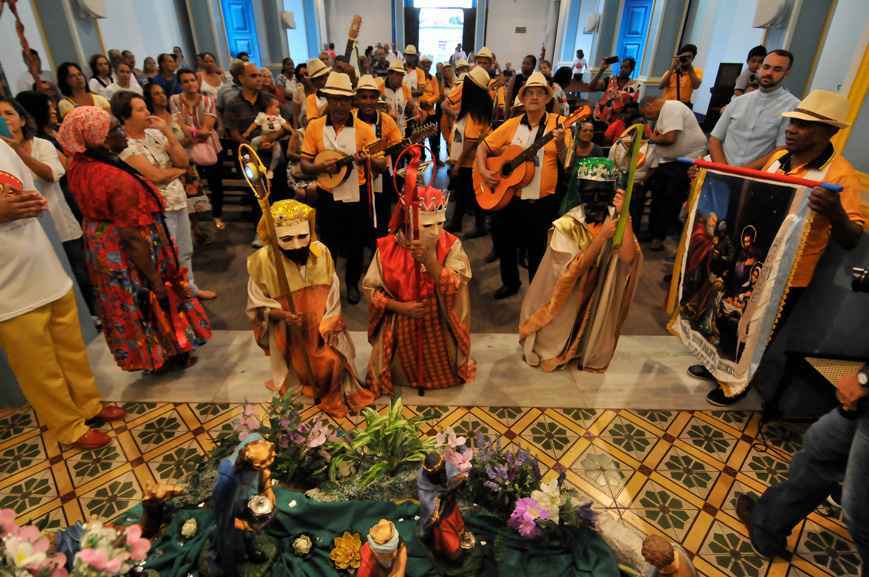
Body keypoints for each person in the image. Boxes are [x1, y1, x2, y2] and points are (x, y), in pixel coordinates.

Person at [692, 90, 865, 406]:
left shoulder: (841, 175)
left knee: (757, 334)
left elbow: (852, 237)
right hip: (749, 258)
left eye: (803, 125)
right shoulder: (776, 158)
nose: (792, 129)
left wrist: (834, 210)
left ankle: (737, 384)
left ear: (829, 132)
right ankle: (718, 365)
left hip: (789, 273)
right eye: (793, 122)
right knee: (730, 316)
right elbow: (744, 183)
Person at [58, 106, 211, 372]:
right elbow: (132, 238)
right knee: (149, 298)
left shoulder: (80, 165)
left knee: (127, 302)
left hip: (103, 245)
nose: (122, 134)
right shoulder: (114, 178)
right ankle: (167, 355)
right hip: (129, 250)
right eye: (115, 129)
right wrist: (154, 278)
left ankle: (151, 357)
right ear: (98, 138)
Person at [0, 137, 125, 450]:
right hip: (8, 288)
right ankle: (68, 427)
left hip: (42, 265)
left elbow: (28, 189)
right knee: (39, 369)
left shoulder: (3, 146)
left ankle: (89, 406)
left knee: (71, 351)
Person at [247, 199, 374, 417]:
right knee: (302, 364)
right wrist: (280, 314)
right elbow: (255, 303)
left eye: (302, 236)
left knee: (333, 360)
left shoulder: (321, 252)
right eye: (287, 238)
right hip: (289, 331)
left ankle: (332, 389)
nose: (297, 245)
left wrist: (330, 320)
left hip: (322, 324)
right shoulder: (262, 261)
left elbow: (333, 290)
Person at [735, 363, 868, 568]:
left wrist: (863, 379)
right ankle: (766, 530)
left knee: (859, 516)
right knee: (818, 449)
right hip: (863, 402)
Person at [520, 157, 641, 371]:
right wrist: (601, 238)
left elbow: (628, 258)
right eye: (589, 193)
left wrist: (625, 214)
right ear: (580, 192)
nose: (596, 199)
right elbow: (568, 274)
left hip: (599, 289)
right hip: (568, 297)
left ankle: (582, 348)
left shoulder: (616, 218)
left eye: (603, 194)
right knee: (553, 340)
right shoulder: (568, 224)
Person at [364, 183, 474, 394]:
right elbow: (370, 290)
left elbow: (455, 284)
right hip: (401, 322)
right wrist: (399, 307)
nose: (435, 233)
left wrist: (431, 261)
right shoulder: (388, 248)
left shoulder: (451, 244)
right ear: (409, 221)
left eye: (440, 223)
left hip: (440, 319)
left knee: (440, 361)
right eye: (426, 226)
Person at [475, 72, 571, 299]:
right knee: (506, 244)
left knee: (537, 251)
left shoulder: (559, 124)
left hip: (542, 202)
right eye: (530, 93)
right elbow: (483, 147)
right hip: (511, 197)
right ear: (524, 98)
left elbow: (566, 163)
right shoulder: (511, 124)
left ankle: (536, 294)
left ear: (547, 98)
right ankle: (510, 283)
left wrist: (560, 144)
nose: (535, 97)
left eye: (540, 93)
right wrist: (484, 170)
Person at [113, 91, 216, 301]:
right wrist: (175, 172)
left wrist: (168, 132)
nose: (148, 112)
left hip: (178, 200)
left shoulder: (155, 134)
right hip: (156, 208)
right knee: (167, 255)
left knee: (186, 250)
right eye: (140, 109)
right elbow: (154, 175)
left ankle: (191, 289)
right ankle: (174, 295)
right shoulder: (124, 144)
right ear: (126, 115)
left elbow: (183, 161)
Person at [0, 97, 93, 314]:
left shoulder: (42, 145)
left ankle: (91, 315)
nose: (4, 119)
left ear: (22, 120)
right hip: (29, 234)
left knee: (79, 274)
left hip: (60, 223)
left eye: (9, 114)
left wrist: (18, 152)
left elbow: (51, 175)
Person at [300, 72, 385, 304]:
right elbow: (304, 164)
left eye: (345, 100)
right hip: (327, 195)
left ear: (352, 101)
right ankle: (329, 283)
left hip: (356, 196)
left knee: (356, 244)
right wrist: (319, 167)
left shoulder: (365, 130)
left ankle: (351, 283)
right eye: (335, 99)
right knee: (328, 244)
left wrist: (370, 159)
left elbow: (381, 163)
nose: (340, 104)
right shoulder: (315, 127)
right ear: (327, 98)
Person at [709, 50, 798, 167]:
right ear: (760, 68)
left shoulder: (793, 107)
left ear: (787, 73)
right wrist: (723, 171)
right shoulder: (738, 101)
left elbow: (782, 150)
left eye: (777, 69)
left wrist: (742, 173)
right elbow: (715, 139)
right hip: (720, 172)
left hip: (754, 178)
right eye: (766, 67)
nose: (769, 73)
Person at [639, 96, 707, 251]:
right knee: (657, 193)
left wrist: (651, 137)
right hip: (669, 160)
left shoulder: (671, 107)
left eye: (647, 114)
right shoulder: (664, 112)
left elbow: (670, 138)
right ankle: (653, 232)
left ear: (650, 105)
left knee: (668, 198)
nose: (648, 117)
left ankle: (660, 236)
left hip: (686, 160)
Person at [171, 68, 225, 231]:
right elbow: (178, 126)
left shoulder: (208, 100)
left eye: (192, 80)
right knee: (193, 186)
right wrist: (195, 133)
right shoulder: (174, 100)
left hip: (211, 149)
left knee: (215, 185)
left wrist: (191, 131)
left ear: (198, 81)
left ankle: (217, 215)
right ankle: (198, 223)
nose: (190, 84)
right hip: (187, 150)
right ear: (180, 84)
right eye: (185, 81)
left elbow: (207, 129)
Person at [444, 66, 492, 240]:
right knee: (465, 192)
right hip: (470, 160)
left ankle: (477, 225)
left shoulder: (475, 112)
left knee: (470, 193)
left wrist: (458, 163)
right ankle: (460, 222)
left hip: (470, 161)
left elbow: (471, 142)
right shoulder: (475, 107)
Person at [354, 74, 403, 239]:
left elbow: (398, 144)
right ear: (357, 99)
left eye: (372, 97)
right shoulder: (350, 119)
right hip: (356, 177)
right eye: (364, 97)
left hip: (381, 175)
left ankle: (382, 248)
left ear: (377, 99)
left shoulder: (386, 121)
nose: (368, 101)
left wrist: (382, 154)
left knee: (382, 215)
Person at [588, 57, 640, 125]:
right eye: (622, 67)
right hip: (599, 117)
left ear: (632, 69)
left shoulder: (634, 86)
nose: (623, 69)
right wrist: (601, 70)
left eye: (626, 67)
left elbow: (632, 108)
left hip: (616, 123)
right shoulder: (610, 80)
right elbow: (591, 87)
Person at [382, 61, 414, 136]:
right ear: (390, 74)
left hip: (401, 131)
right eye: (397, 74)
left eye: (402, 75)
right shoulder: (380, 89)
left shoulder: (405, 89)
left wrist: (415, 109)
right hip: (385, 132)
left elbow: (410, 108)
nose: (400, 78)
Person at [300, 58, 332, 127]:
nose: (326, 79)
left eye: (327, 75)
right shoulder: (311, 99)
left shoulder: (337, 92)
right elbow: (313, 125)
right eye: (321, 78)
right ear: (313, 82)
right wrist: (330, 105)